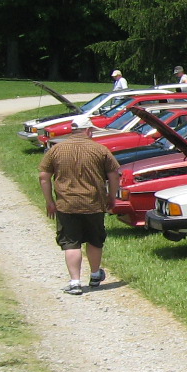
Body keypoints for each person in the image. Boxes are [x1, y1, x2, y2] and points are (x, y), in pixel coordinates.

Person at [39, 113, 121, 294]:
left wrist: (50, 202)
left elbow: (44, 177)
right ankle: (95, 274)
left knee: (71, 243)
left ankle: (75, 282)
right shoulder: (100, 150)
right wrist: (112, 196)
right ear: (88, 131)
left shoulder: (56, 150)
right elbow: (114, 175)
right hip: (94, 203)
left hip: (66, 204)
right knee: (94, 240)